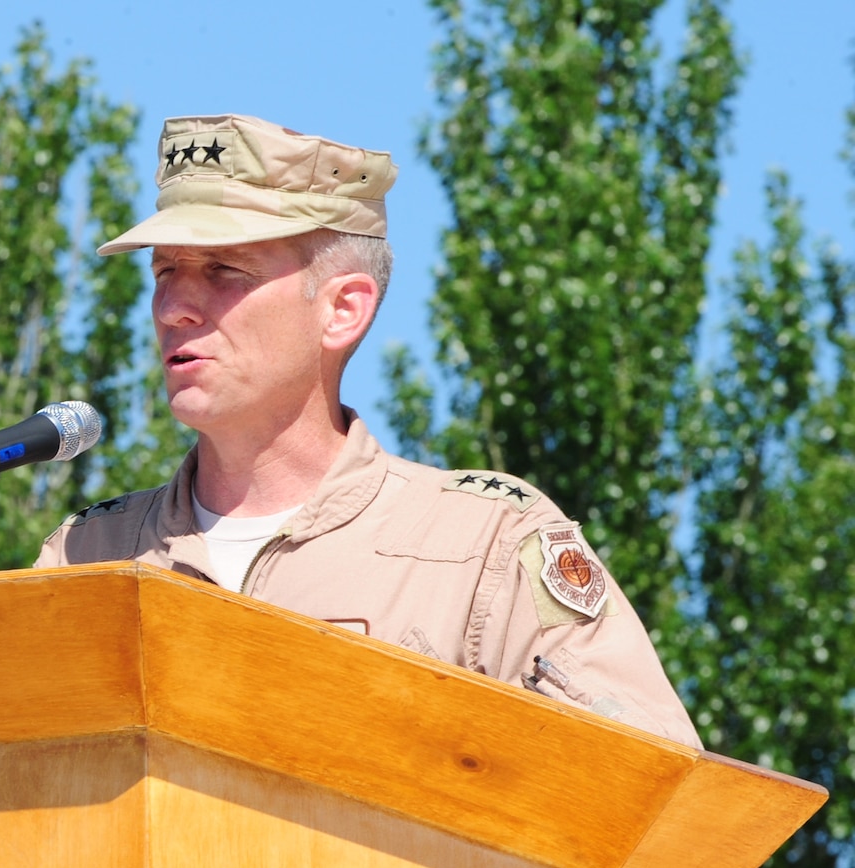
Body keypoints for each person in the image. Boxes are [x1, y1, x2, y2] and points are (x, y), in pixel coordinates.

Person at [36, 114, 699, 747]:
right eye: (164, 272)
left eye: (223, 270)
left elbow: (651, 790)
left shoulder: (483, 545)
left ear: (342, 310)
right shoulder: (87, 553)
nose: (173, 308)